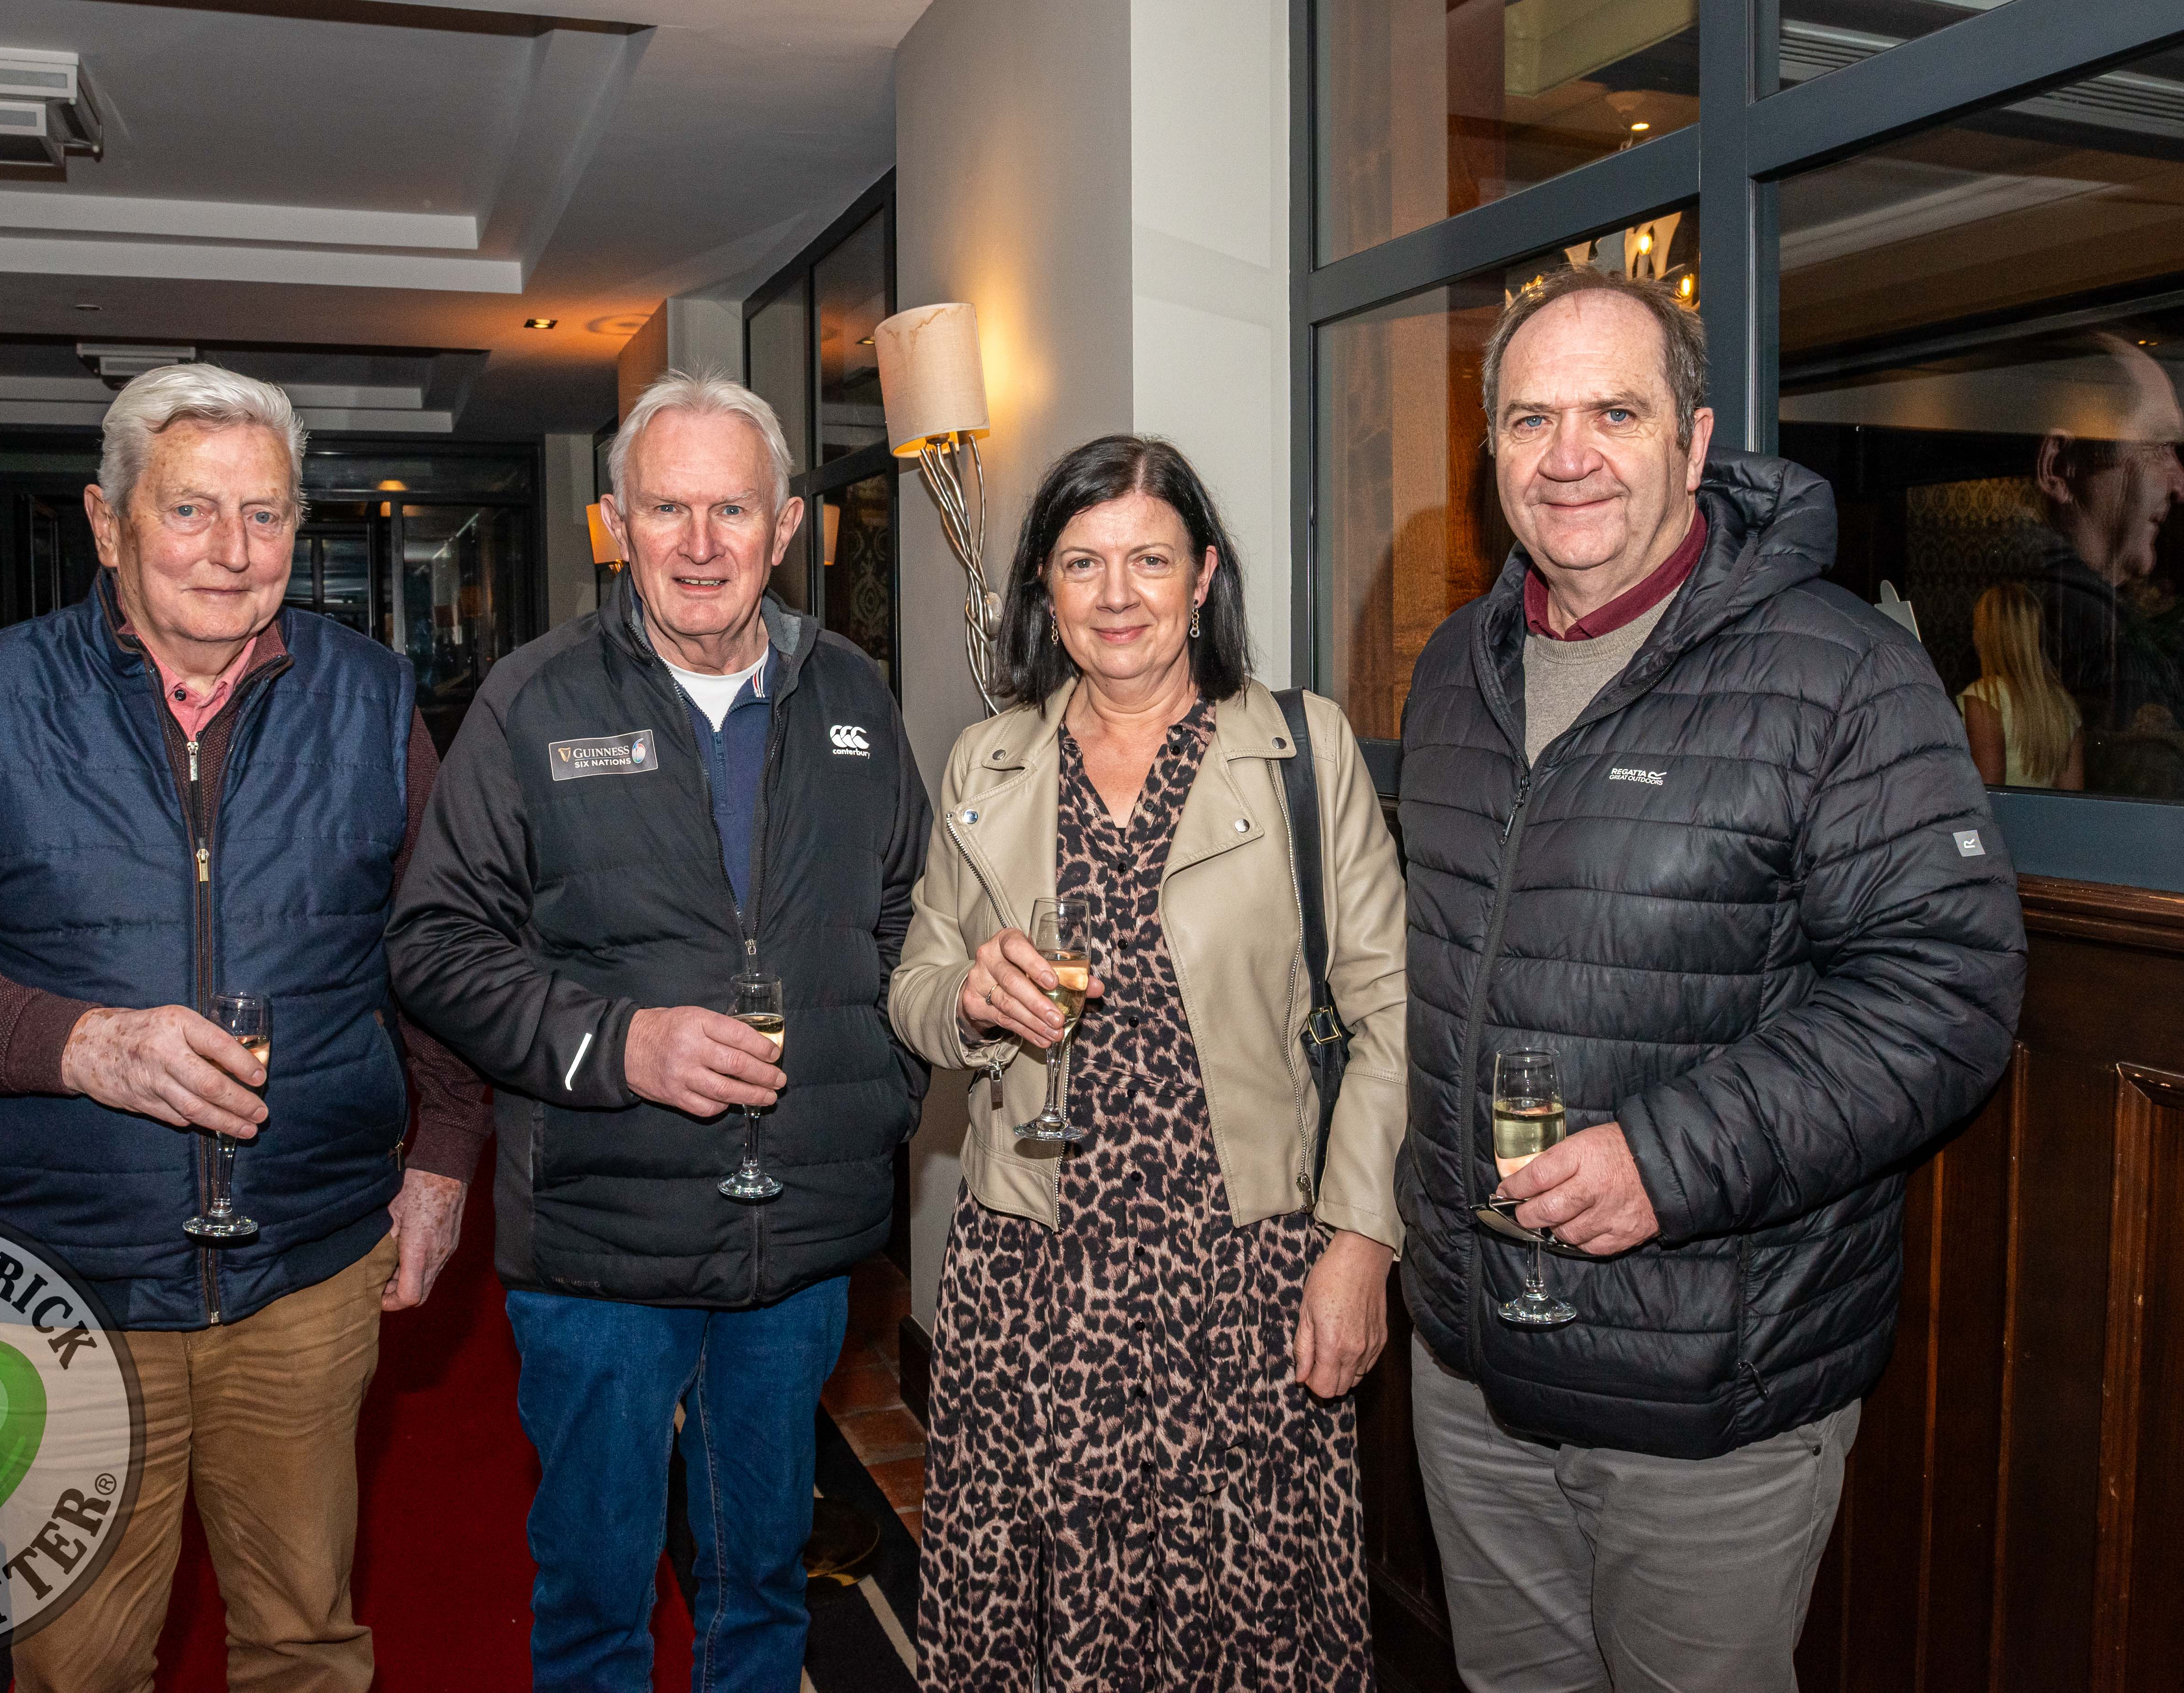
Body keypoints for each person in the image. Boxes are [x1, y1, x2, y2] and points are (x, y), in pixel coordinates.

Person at [0, 363, 486, 1692]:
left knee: (304, 1642)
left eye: (266, 515)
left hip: (308, 1264)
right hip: (66, 1285)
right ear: (107, 522)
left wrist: (446, 1152)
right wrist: (80, 1045)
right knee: (80, 1662)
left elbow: (440, 950)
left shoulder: (369, 697)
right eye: (190, 510)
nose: (233, 551)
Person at [1393, 266, 2026, 1693]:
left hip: (1704, 1390)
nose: (1567, 455)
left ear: (1692, 442)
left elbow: (1946, 990)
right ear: (1490, 449)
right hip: (1474, 1365)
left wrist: (1665, 1161)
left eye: (1613, 413)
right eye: (1529, 419)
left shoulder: (1841, 673)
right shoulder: (1453, 671)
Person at [385, 370, 928, 1689]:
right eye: (665, 508)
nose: (698, 543)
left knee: (764, 1592)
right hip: (598, 1242)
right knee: (596, 1598)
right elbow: (434, 944)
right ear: (614, 524)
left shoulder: (854, 694)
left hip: (797, 1244)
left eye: (730, 509)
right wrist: (619, 1044)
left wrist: (879, 1092)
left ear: (785, 526)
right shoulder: (533, 701)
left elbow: (912, 919)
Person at [889, 435, 1409, 1691]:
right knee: (1044, 1609)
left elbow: (1388, 1010)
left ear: (1203, 576)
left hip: (1246, 1272)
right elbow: (912, 987)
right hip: (1034, 1271)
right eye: (1081, 563)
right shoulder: (986, 760)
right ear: (1043, 587)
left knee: (1249, 1614)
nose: (1116, 595)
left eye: (1149, 561)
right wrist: (969, 999)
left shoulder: (1302, 750)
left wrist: (1360, 1242)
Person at [2016, 331, 2184, 793]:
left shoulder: (2038, 606)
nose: (2179, 485)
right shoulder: (2094, 630)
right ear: (2059, 468)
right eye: (2159, 446)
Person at [1960, 582, 2083, 789]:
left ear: (1984, 636)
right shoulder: (2064, 704)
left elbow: (1989, 793)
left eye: (1977, 627)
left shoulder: (1986, 697)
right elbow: (2072, 798)